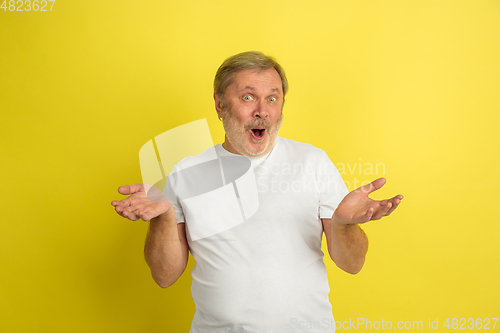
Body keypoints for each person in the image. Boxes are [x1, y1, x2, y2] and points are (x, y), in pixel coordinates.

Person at [111, 51, 403, 332]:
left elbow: (352, 264)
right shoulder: (187, 173)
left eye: (272, 98)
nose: (262, 111)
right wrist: (162, 216)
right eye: (248, 97)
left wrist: (343, 225)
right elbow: (165, 276)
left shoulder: (312, 162)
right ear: (219, 104)